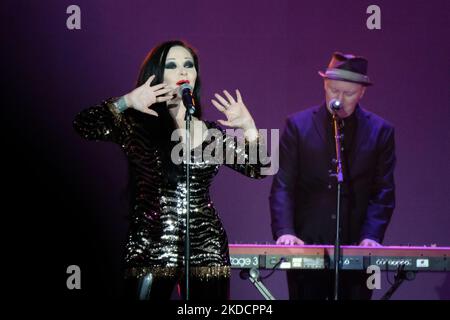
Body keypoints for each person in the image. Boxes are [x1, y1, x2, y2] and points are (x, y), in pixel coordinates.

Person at [73, 40, 267, 300]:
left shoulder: (211, 134)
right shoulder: (138, 125)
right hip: (151, 244)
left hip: (206, 245)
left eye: (189, 65)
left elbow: (260, 168)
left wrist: (249, 127)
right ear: (157, 75)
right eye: (172, 66)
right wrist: (127, 101)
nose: (183, 72)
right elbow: (84, 124)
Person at [269, 52, 396, 300]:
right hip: (306, 244)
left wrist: (371, 236)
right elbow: (283, 184)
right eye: (333, 90)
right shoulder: (298, 125)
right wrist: (285, 230)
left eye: (348, 94)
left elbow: (383, 191)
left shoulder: (381, 131)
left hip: (356, 246)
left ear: (362, 93)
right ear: (324, 85)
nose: (338, 99)